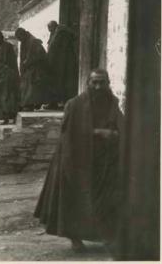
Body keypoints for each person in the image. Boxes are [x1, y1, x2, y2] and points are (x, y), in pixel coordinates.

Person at [34, 69, 123, 253]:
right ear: (87, 83)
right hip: (76, 159)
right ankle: (75, 238)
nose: (98, 86)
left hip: (105, 161)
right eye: (94, 82)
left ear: (108, 83)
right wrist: (98, 133)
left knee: (105, 200)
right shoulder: (74, 105)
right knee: (74, 199)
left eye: (102, 82)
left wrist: (115, 134)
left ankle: (106, 236)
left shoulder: (112, 103)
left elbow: (122, 127)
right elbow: (69, 135)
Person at [14, 27, 49, 111]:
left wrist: (28, 62)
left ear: (23, 35)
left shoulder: (33, 42)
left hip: (37, 67)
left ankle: (29, 104)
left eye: (20, 38)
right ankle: (26, 103)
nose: (19, 40)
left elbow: (40, 56)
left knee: (29, 82)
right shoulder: (25, 41)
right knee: (24, 83)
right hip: (29, 67)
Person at [46, 21, 78, 109]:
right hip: (56, 64)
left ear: (54, 26)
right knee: (54, 84)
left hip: (63, 64)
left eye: (50, 28)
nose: (49, 31)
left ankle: (64, 103)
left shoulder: (62, 33)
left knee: (64, 83)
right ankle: (54, 103)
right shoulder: (55, 33)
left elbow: (60, 49)